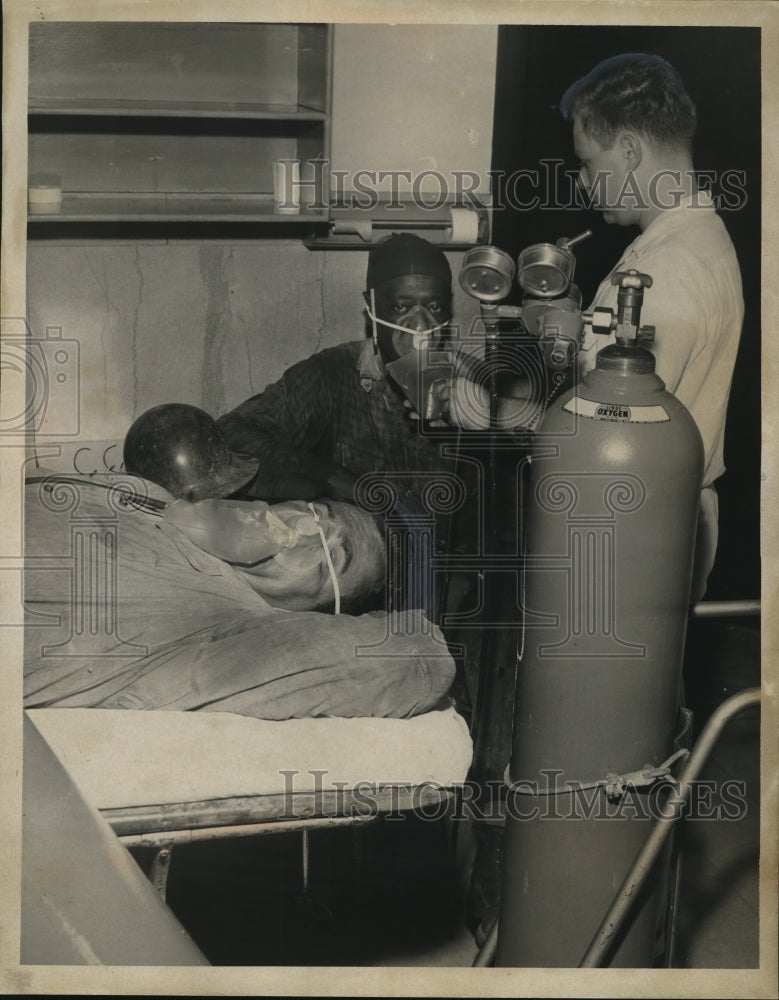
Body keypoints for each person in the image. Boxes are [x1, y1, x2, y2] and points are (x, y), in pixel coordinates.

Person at [23, 404, 456, 720]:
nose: (308, 531)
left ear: (313, 615)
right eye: (319, 514)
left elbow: (415, 658)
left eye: (331, 560)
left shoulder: (225, 629)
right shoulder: (152, 496)